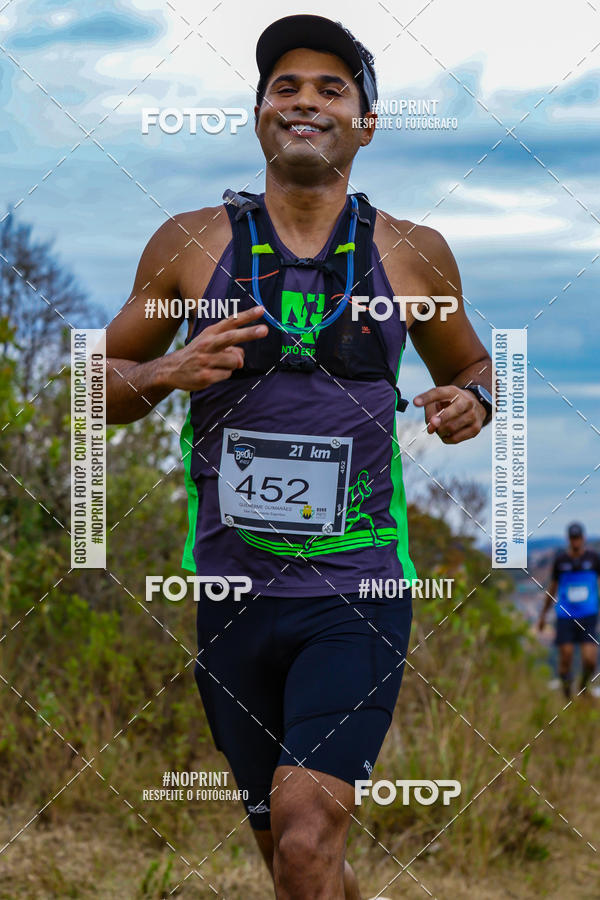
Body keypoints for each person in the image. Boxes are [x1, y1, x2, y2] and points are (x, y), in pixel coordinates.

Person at [106, 14, 493, 899]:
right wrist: (169, 369)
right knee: (293, 859)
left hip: (355, 595)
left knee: (308, 835)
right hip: (232, 597)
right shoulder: (190, 244)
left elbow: (470, 363)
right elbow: (97, 392)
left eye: (331, 88)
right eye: (285, 86)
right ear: (258, 114)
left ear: (366, 123)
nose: (305, 101)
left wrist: (474, 398)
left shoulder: (414, 253)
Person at [539, 523, 600, 699]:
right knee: (565, 656)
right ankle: (568, 697)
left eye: (578, 538)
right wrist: (543, 614)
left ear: (583, 538)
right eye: (573, 538)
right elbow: (553, 588)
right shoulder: (561, 561)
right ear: (569, 540)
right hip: (565, 616)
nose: (576, 542)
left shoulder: (594, 559)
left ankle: (583, 687)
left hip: (588, 615)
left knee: (590, 659)